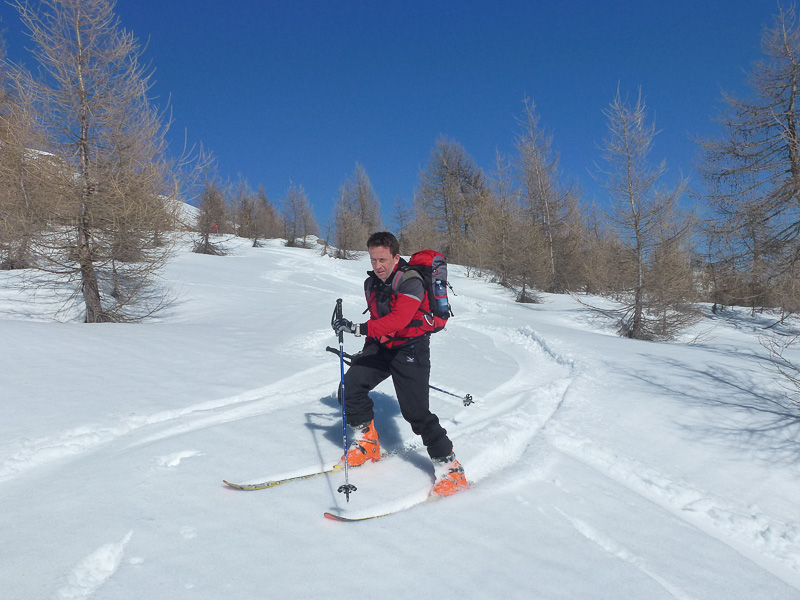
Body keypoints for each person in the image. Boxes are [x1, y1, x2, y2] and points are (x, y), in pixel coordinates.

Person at [331, 231, 469, 497]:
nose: (377, 266)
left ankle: (451, 469)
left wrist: (357, 328)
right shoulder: (372, 284)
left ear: (396, 257)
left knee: (416, 413)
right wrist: (366, 351)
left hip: (411, 348)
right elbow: (378, 320)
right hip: (382, 345)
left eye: (382, 259)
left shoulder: (410, 280)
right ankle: (367, 443)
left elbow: (399, 320)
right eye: (373, 260)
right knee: (350, 388)